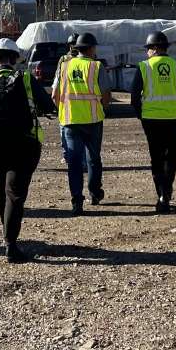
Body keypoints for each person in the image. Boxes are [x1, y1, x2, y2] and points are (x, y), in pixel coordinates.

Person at [0, 38, 57, 262]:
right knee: (16, 194)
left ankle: (6, 235)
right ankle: (11, 245)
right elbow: (47, 105)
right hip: (24, 143)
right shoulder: (26, 79)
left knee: (3, 190)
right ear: (13, 58)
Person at [129, 31, 176, 213]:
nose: (147, 52)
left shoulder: (144, 67)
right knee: (170, 155)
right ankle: (167, 190)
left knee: (156, 157)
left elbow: (134, 96)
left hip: (151, 119)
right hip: (174, 117)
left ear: (155, 48)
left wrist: (141, 114)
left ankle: (162, 195)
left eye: (148, 48)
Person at [52, 32, 113, 215]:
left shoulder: (64, 66)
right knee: (93, 159)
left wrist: (64, 109)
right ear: (92, 48)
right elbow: (106, 95)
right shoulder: (96, 66)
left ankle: (77, 201)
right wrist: (102, 105)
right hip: (93, 121)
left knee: (74, 162)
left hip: (70, 121)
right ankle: (95, 193)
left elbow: (54, 95)